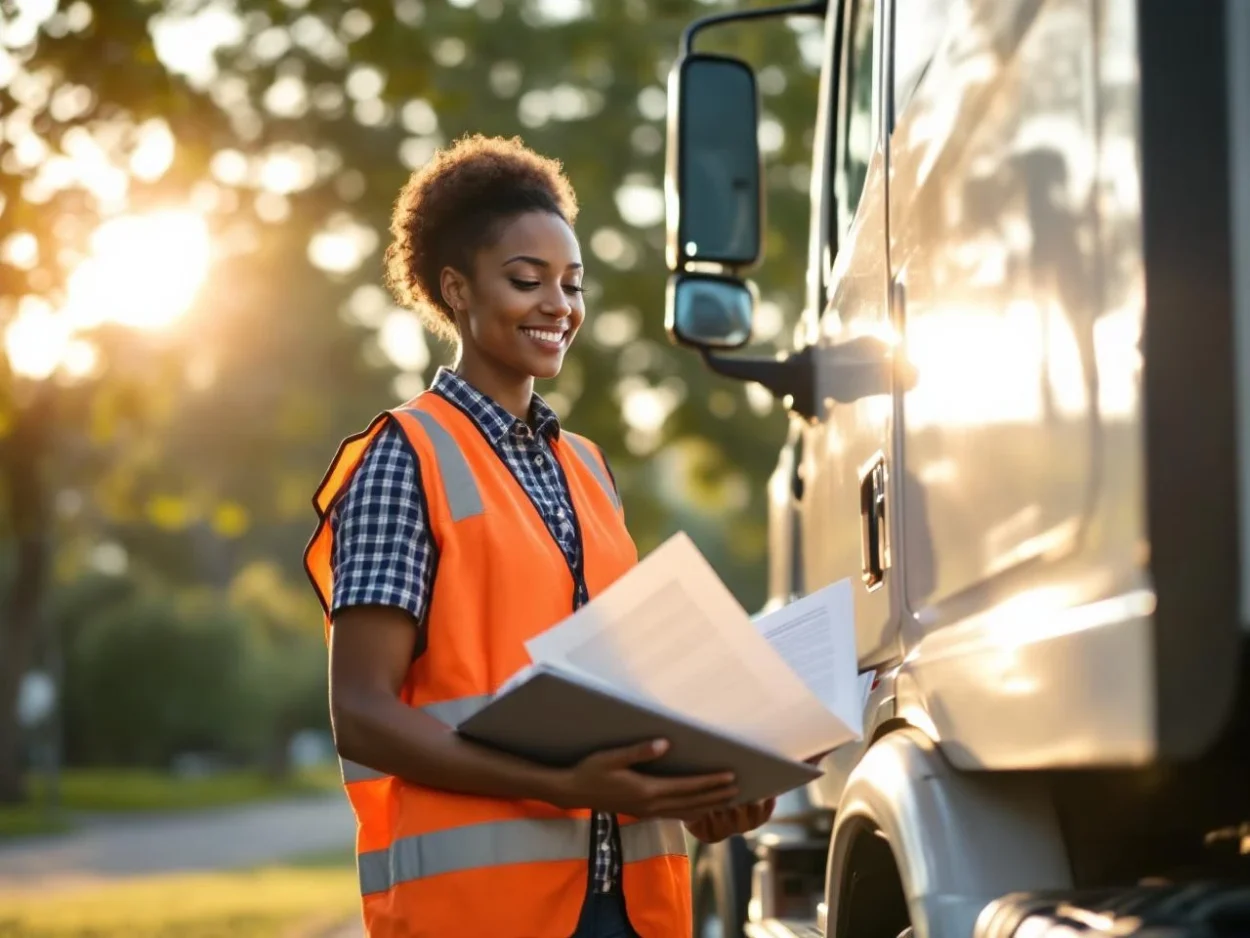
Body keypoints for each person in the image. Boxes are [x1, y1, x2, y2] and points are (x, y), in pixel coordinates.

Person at [303, 134, 776, 938]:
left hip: (632, 908)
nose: (559, 304)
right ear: (456, 290)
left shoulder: (588, 469)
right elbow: (362, 711)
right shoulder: (401, 459)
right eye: (527, 281)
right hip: (482, 916)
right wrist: (563, 785)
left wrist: (701, 790)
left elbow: (620, 697)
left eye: (572, 284)